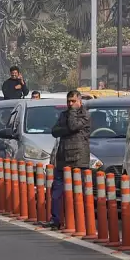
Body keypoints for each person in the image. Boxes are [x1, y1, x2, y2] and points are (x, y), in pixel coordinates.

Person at [43, 90, 90, 229]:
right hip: (63, 158)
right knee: (56, 191)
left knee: (77, 192)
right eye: (68, 101)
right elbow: (55, 131)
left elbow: (74, 126)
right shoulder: (64, 114)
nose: (70, 104)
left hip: (78, 159)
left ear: (80, 101)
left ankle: (77, 221)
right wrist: (67, 129)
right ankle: (55, 220)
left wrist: (72, 114)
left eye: (73, 101)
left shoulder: (85, 115)